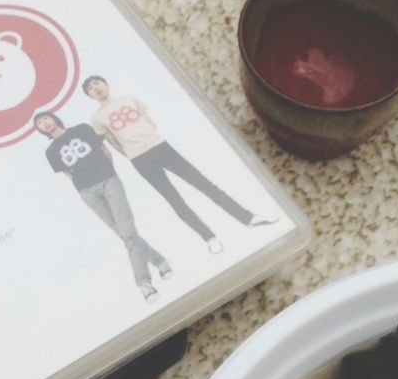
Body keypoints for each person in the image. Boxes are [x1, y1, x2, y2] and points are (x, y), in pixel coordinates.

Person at [83, 75, 275, 254]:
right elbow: (112, 141)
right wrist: (131, 153)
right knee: (173, 198)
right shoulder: (97, 118)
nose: (96, 88)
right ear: (89, 95)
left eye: (97, 83)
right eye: (91, 88)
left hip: (160, 147)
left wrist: (151, 138)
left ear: (105, 83)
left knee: (202, 183)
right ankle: (209, 237)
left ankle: (248, 218)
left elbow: (150, 121)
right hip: (139, 158)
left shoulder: (129, 99)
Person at [35, 109, 170, 301]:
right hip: (87, 192)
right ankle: (160, 261)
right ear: (40, 130)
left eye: (45, 118)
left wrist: (109, 173)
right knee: (124, 233)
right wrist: (81, 186)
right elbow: (67, 172)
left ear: (53, 118)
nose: (44, 123)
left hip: (108, 180)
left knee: (128, 231)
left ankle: (144, 283)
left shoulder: (82, 129)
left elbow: (104, 151)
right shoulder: (50, 152)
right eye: (39, 123)